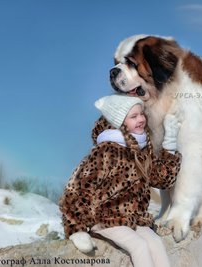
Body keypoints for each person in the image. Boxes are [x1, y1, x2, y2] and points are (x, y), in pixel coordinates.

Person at [59, 94, 182, 267]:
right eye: (133, 116)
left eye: (141, 114)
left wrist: (169, 144)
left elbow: (161, 179)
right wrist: (76, 229)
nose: (141, 119)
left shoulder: (141, 150)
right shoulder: (106, 151)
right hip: (106, 219)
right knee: (139, 246)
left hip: (134, 219)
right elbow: (77, 188)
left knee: (155, 243)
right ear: (120, 122)